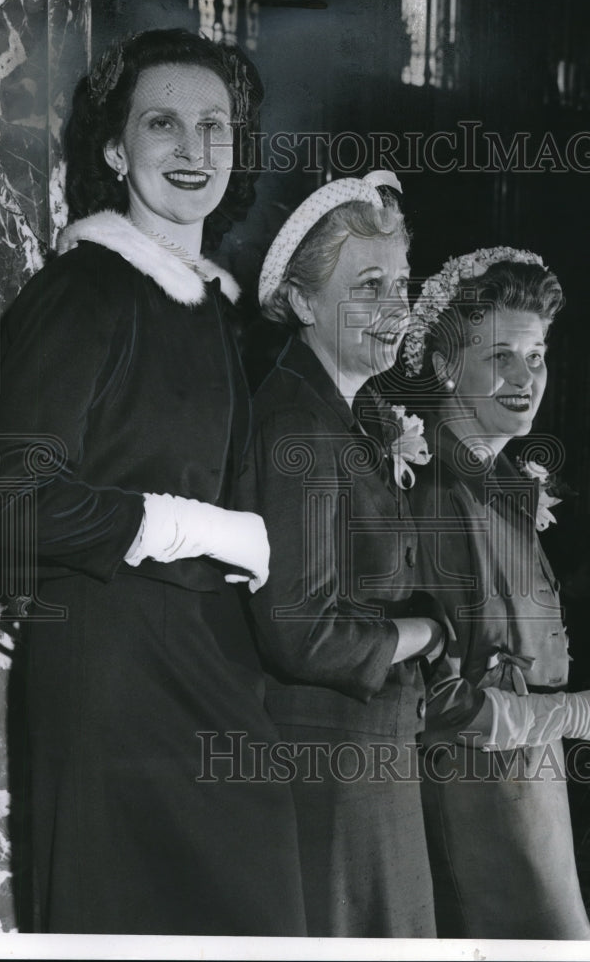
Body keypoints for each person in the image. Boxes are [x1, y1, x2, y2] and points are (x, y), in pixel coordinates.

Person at [0, 28, 307, 935]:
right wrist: (197, 527)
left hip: (208, 669)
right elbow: (13, 506)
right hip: (114, 677)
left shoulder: (209, 306)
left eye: (216, 127)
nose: (194, 151)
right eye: (164, 124)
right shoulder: (86, 291)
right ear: (117, 149)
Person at [399, 247, 590, 940]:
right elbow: (436, 705)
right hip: (478, 799)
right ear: (446, 366)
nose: (526, 377)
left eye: (537, 356)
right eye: (501, 355)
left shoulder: (492, 483)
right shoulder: (439, 492)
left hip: (529, 785)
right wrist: (582, 715)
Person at [238, 171, 447, 937]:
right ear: (300, 302)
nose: (397, 309)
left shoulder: (339, 412)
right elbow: (302, 631)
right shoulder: (297, 423)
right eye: (368, 284)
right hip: (330, 769)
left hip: (364, 760)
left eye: (402, 283)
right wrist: (427, 631)